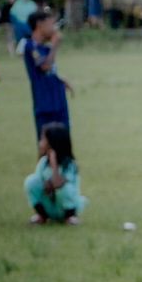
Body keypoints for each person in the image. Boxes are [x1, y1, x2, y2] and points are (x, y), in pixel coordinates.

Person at [23, 11, 75, 148]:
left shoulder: (45, 48)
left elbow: (50, 71)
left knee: (64, 145)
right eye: (51, 24)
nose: (54, 28)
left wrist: (61, 80)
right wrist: (55, 45)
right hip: (45, 104)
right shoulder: (30, 46)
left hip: (58, 102)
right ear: (39, 24)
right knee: (45, 145)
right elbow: (45, 66)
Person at [26, 121, 86, 225]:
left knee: (65, 188)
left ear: (52, 143)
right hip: (49, 204)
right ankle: (42, 216)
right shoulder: (43, 163)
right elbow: (40, 182)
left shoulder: (69, 165)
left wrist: (54, 164)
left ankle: (70, 217)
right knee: (31, 181)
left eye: (43, 139)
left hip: (65, 208)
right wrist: (47, 185)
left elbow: (58, 184)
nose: (40, 142)